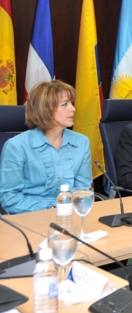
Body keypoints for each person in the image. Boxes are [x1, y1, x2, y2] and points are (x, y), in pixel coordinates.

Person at [0, 80, 92, 214]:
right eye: (64, 104)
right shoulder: (16, 146)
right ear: (44, 110)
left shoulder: (82, 142)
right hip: (30, 216)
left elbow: (83, 190)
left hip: (70, 214)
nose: (73, 108)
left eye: (71, 103)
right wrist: (51, 208)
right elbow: (9, 198)